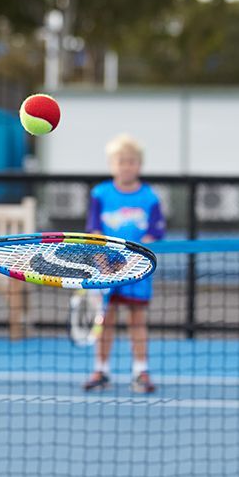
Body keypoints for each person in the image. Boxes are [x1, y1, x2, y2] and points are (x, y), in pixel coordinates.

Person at [82, 134, 165, 394]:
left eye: (131, 161)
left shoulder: (150, 197)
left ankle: (141, 371)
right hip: (104, 270)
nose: (126, 166)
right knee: (104, 320)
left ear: (139, 165)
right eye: (121, 161)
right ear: (112, 164)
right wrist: (103, 263)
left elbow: (155, 234)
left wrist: (132, 264)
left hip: (137, 272)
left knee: (137, 320)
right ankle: (101, 370)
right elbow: (93, 231)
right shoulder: (100, 194)